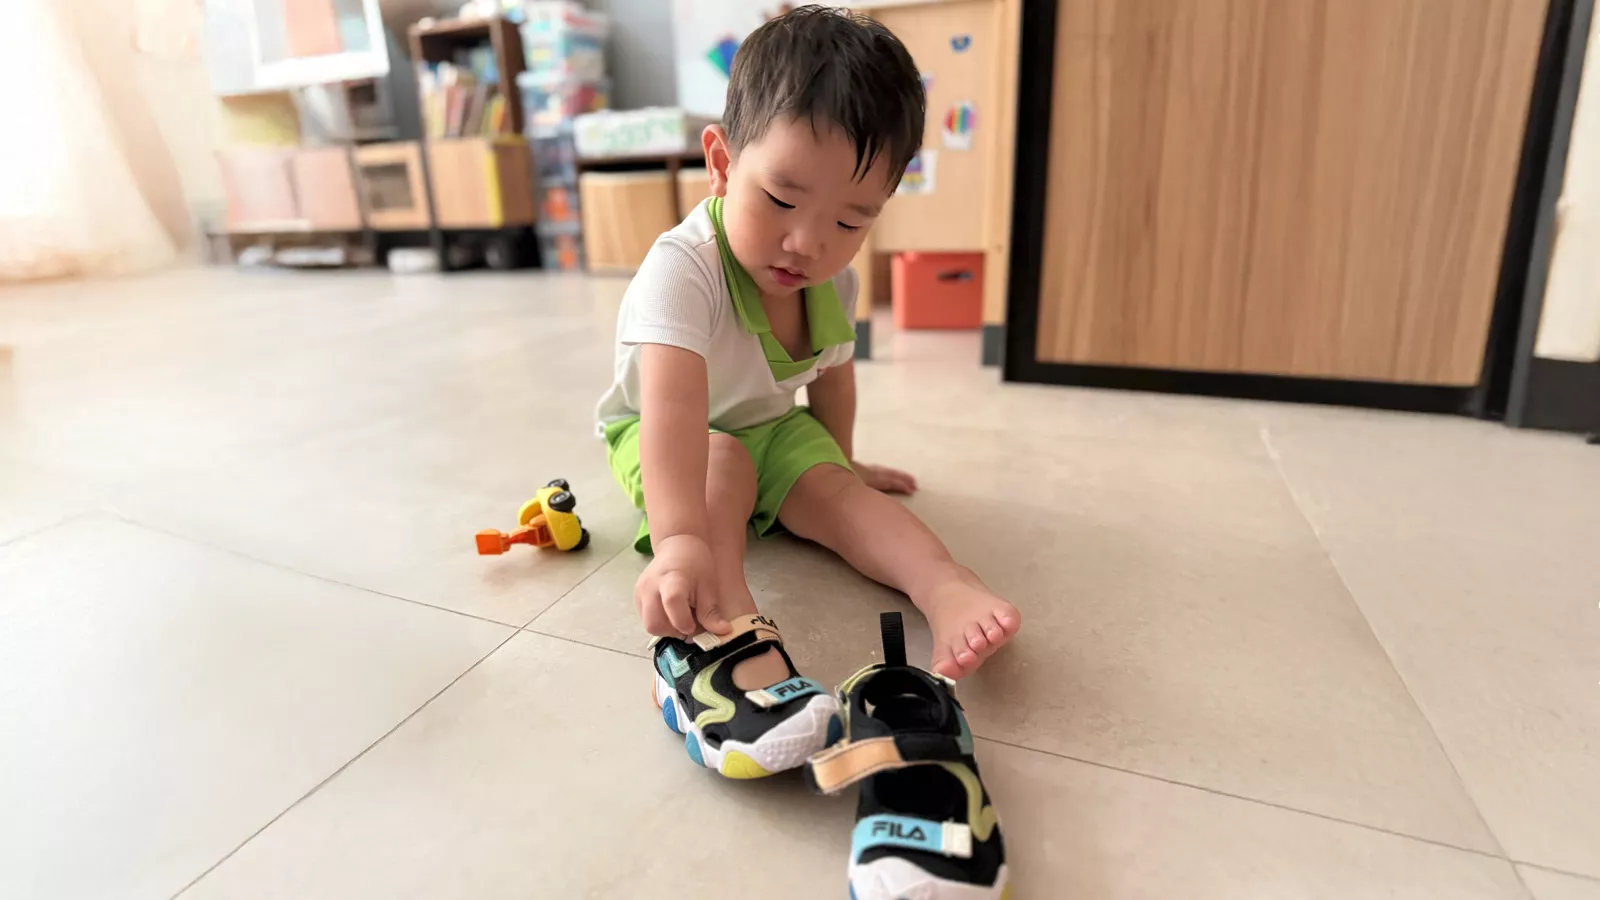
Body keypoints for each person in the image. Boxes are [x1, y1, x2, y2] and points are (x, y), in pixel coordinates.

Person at [596, 5, 1021, 778]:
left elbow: (833, 376)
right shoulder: (681, 269)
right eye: (783, 200)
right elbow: (671, 412)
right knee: (720, 463)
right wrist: (680, 541)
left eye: (852, 220)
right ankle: (720, 638)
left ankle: (946, 585)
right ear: (722, 163)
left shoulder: (834, 280)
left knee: (838, 494)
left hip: (770, 427)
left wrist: (842, 462)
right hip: (678, 437)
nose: (808, 243)